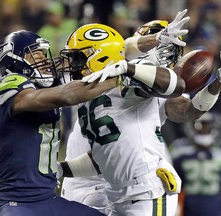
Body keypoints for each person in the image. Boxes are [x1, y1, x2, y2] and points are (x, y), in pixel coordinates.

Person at [59, 9, 221, 215]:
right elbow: (103, 155)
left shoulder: (140, 76)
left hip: (142, 187)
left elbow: (187, 108)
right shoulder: (112, 71)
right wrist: (61, 169)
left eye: (166, 46)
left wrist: (219, 81)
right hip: (113, 186)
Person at [60, 14, 188, 215]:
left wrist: (129, 68)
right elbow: (100, 158)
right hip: (116, 193)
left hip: (145, 190)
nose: (71, 64)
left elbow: (177, 87)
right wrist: (60, 170)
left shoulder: (132, 80)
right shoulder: (90, 91)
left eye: (77, 58)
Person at [0, 30, 125, 216]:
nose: (44, 59)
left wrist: (151, 41)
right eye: (36, 54)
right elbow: (67, 94)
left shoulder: (48, 84)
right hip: (17, 202)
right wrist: (120, 77)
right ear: (15, 60)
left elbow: (97, 51)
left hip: (48, 199)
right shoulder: (11, 82)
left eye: (44, 54)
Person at [170, 112, 221, 216]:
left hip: (215, 210)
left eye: (206, 125)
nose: (202, 129)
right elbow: (172, 188)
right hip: (189, 210)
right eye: (198, 125)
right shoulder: (180, 152)